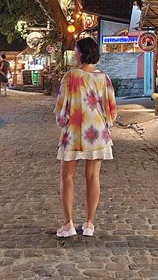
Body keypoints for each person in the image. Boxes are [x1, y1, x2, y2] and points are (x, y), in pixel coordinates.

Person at [54, 37, 117, 238]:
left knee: (67, 176)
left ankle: (68, 224)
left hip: (75, 131)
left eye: (75, 50)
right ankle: (89, 223)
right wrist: (106, 124)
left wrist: (62, 122)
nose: (74, 54)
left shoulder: (71, 76)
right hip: (97, 132)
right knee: (93, 176)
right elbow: (112, 110)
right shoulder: (104, 78)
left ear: (81, 53)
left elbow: (60, 107)